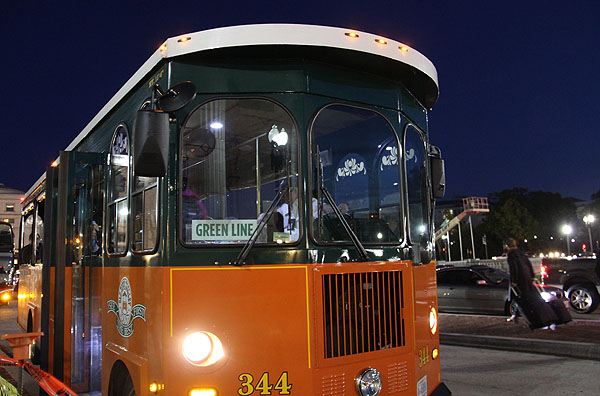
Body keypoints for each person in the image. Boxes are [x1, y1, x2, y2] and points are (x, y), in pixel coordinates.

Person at [505, 237, 535, 322]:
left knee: (518, 297)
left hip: (519, 279)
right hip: (527, 277)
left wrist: (514, 281)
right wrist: (532, 275)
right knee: (525, 296)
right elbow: (528, 264)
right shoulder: (521, 253)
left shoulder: (511, 255)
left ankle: (519, 315)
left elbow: (513, 268)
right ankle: (515, 314)